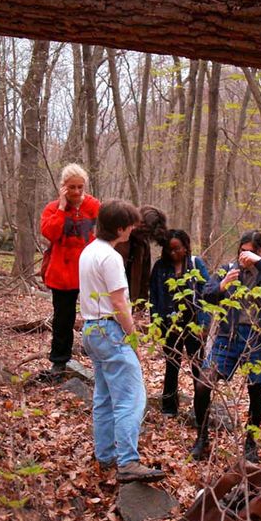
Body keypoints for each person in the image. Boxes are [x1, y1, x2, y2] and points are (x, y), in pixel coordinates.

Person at [80, 199, 166, 483]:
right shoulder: (111, 257)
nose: (133, 229)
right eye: (130, 225)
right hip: (109, 330)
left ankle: (105, 455)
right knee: (132, 397)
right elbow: (119, 302)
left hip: (91, 328)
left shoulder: (89, 251)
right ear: (119, 228)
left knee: (104, 396)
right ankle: (128, 462)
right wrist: (132, 337)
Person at [191, 231, 261, 463]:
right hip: (227, 335)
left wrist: (259, 263)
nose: (245, 256)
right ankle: (201, 437)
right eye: (242, 251)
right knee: (204, 382)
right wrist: (223, 286)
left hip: (256, 336)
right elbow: (206, 294)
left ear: (259, 252)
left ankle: (250, 441)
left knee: (256, 388)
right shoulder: (228, 270)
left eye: (251, 252)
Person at [40, 164, 101, 377]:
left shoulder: (94, 207)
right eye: (71, 187)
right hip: (62, 273)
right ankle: (59, 361)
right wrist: (62, 207)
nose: (76, 192)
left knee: (95, 317)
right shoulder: (52, 208)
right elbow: (50, 233)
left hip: (89, 272)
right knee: (62, 319)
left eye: (80, 187)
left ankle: (98, 358)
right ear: (63, 187)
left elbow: (106, 233)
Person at [149, 229, 210, 417]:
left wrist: (204, 323)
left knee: (197, 365)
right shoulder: (160, 267)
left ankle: (201, 407)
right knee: (171, 363)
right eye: (169, 250)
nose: (173, 253)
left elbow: (206, 294)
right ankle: (169, 407)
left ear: (186, 247)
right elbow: (155, 297)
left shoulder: (195, 264)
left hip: (193, 322)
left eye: (177, 249)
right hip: (169, 323)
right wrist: (156, 324)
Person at [114, 205, 168, 309]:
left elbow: (144, 277)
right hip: (110, 301)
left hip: (130, 301)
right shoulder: (116, 238)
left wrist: (141, 305)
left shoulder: (143, 244)